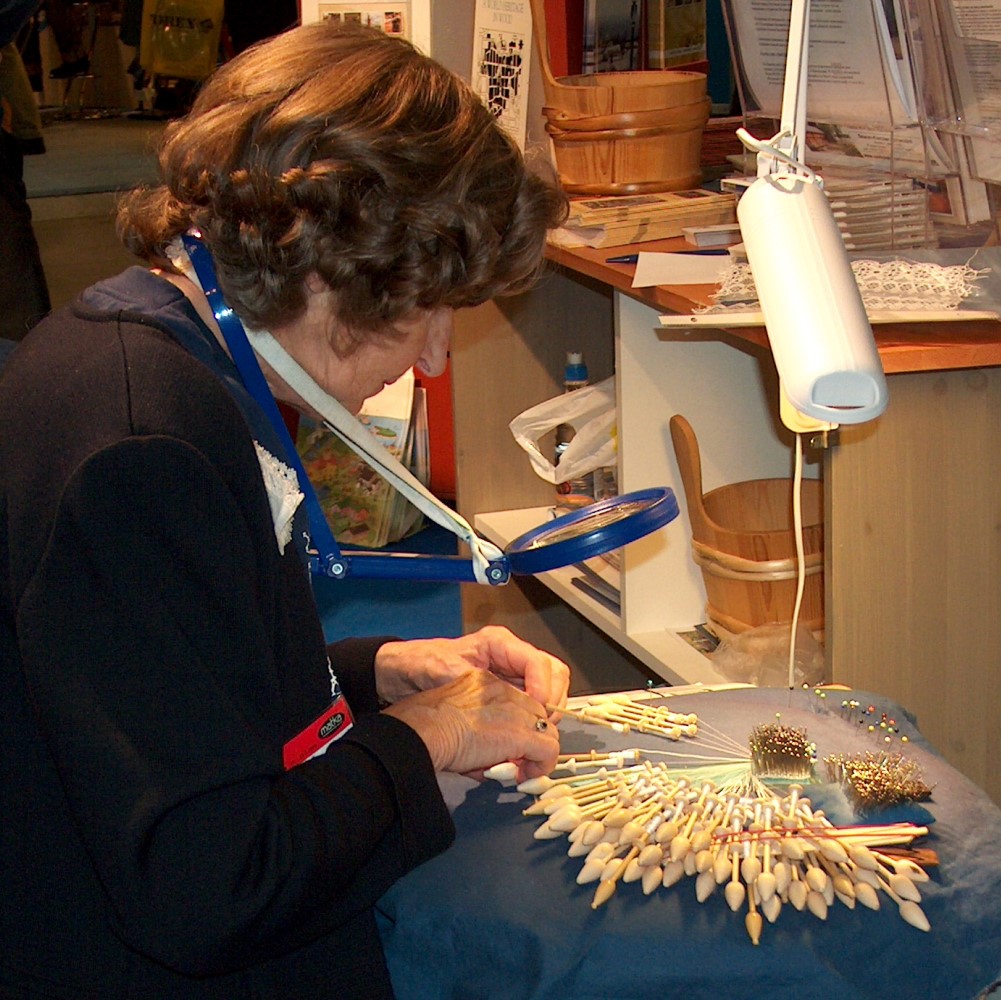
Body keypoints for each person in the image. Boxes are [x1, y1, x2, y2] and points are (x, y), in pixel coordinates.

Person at [0, 21, 570, 1000]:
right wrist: (424, 738)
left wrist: (379, 673)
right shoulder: (146, 444)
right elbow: (209, 886)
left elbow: (168, 688)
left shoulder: (147, 353)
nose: (434, 357)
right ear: (325, 264)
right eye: (426, 307)